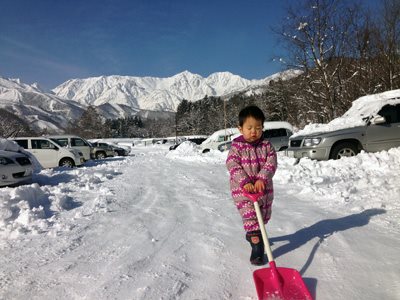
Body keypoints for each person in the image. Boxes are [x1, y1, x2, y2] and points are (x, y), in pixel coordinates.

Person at [226, 105, 277, 265]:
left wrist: (262, 178)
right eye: (249, 128)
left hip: (264, 191)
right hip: (243, 192)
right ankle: (257, 247)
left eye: (258, 127)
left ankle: (258, 234)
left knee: (263, 218)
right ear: (240, 128)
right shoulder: (236, 147)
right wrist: (245, 182)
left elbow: (271, 163)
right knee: (251, 219)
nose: (254, 131)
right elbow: (232, 164)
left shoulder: (267, 146)